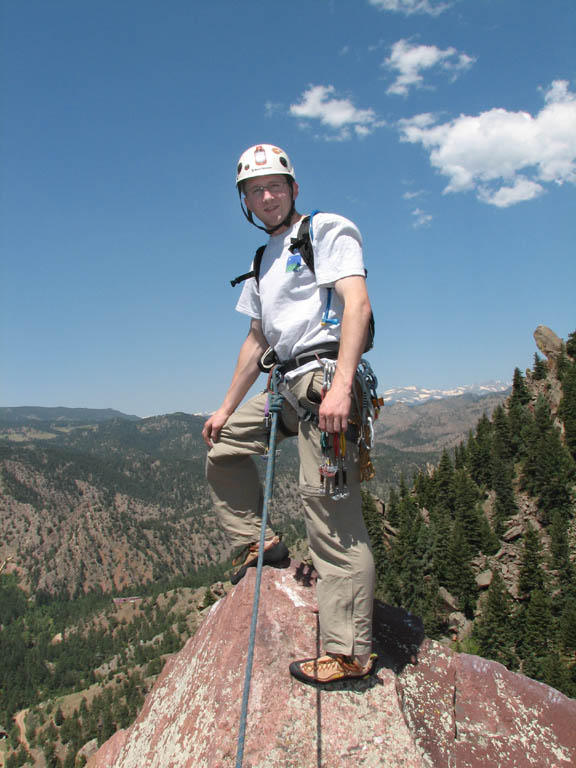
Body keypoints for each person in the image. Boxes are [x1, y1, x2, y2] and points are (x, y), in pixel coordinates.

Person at [202, 143, 376, 685]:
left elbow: (357, 303)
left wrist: (344, 386)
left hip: (324, 381)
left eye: (275, 185)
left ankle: (350, 654)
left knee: (329, 514)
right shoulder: (263, 260)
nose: (267, 195)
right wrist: (226, 407)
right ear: (245, 202)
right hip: (285, 384)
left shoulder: (325, 230)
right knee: (223, 448)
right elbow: (256, 341)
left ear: (294, 189)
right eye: (255, 190)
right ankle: (261, 543)